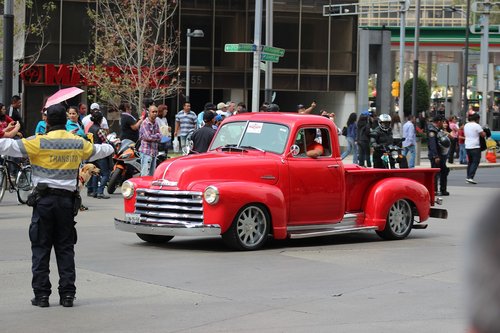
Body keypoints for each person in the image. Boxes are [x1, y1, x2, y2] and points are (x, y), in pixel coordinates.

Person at [0, 103, 113, 308]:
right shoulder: (77, 142)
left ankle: (42, 296)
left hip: (43, 203)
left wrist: (7, 134)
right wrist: (112, 143)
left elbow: (6, 147)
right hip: (66, 203)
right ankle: (67, 295)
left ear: (47, 121)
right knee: (65, 248)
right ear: (67, 120)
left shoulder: (38, 142)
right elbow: (100, 150)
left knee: (41, 248)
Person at [87, 110, 111, 199]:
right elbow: (106, 141)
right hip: (100, 153)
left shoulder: (90, 128)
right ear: (100, 120)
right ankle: (100, 192)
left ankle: (94, 191)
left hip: (91, 153)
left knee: (95, 173)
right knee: (105, 173)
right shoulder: (100, 130)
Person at [427, 114, 451, 195]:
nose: (443, 123)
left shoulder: (437, 130)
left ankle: (443, 189)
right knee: (435, 173)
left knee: (444, 171)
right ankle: (434, 190)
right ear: (439, 122)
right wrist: (435, 156)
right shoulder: (432, 131)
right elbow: (432, 145)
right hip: (436, 155)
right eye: (442, 122)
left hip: (440, 154)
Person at [139, 104, 161, 176]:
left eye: (156, 112)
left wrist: (155, 137)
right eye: (153, 112)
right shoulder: (145, 123)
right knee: (145, 175)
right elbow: (148, 137)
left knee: (152, 175)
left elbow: (160, 136)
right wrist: (156, 136)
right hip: (146, 152)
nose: (155, 113)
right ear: (149, 113)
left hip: (154, 152)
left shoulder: (156, 123)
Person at [464, 112, 486, 185]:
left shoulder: (466, 125)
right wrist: (485, 131)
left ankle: (468, 177)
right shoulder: (477, 126)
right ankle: (470, 177)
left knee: (470, 162)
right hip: (475, 146)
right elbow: (483, 135)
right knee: (475, 162)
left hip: (467, 145)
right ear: (477, 119)